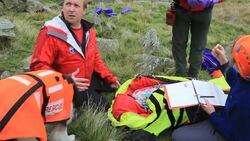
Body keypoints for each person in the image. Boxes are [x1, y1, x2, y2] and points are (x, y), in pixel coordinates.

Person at [30, 0, 120, 109]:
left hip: (87, 78)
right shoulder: (50, 32)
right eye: (68, 4)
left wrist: (109, 78)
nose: (71, 9)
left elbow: (96, 58)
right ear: (63, 7)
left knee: (118, 87)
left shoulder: (89, 31)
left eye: (76, 5)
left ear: (84, 11)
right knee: (106, 108)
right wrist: (66, 80)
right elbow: (38, 66)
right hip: (66, 85)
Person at [171, 35, 250, 141]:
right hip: (230, 117)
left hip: (229, 133)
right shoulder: (245, 80)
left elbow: (234, 135)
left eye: (235, 61)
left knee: (177, 136)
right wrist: (224, 62)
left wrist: (212, 113)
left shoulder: (243, 102)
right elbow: (237, 81)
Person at [171, 0, 223, 78]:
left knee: (196, 45)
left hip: (201, 10)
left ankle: (191, 75)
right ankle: (182, 75)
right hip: (183, 8)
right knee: (185, 44)